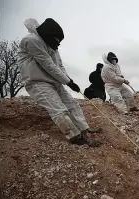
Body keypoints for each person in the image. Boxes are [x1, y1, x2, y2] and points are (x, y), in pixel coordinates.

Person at [17, 18, 101, 146]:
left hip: (55, 81)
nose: (57, 45)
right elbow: (48, 64)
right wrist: (67, 82)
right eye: (56, 41)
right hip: (37, 81)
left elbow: (59, 65)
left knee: (72, 104)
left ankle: (84, 129)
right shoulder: (31, 40)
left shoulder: (53, 46)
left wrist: (70, 81)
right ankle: (74, 136)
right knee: (59, 109)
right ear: (48, 36)